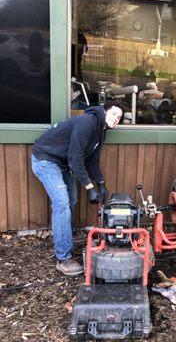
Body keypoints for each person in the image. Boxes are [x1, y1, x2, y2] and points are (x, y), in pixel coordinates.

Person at [31, 102, 123, 276]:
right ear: (105, 112)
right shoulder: (87, 122)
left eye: (120, 117)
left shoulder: (100, 132)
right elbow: (75, 158)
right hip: (46, 160)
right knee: (62, 203)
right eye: (114, 114)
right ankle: (63, 258)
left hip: (63, 162)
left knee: (71, 199)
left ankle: (63, 236)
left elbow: (92, 161)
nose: (116, 119)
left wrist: (101, 183)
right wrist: (89, 187)